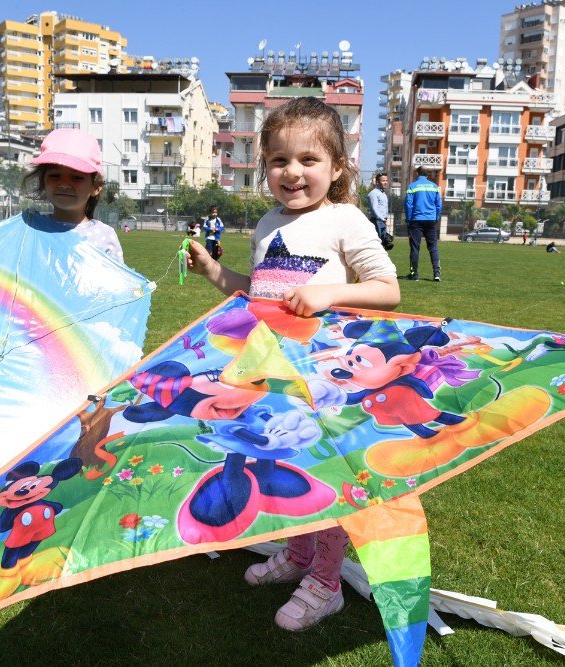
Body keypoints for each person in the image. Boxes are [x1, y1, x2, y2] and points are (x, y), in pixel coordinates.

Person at [184, 96, 399, 632]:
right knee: (284, 465)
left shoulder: (344, 219)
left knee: (324, 474)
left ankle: (326, 584)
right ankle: (300, 556)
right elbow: (254, 293)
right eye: (279, 161)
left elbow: (387, 288)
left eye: (308, 160)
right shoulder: (267, 224)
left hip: (324, 376)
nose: (293, 172)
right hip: (270, 372)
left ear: (337, 166)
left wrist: (328, 294)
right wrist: (214, 271)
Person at [22, 128, 123, 261]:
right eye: (55, 176)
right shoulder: (30, 226)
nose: (64, 184)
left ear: (96, 187)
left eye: (76, 177)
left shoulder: (104, 236)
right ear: (43, 182)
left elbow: (116, 280)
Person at [404, 166, 442, 281]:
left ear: (417, 174)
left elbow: (408, 205)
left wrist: (409, 218)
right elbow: (439, 205)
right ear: (427, 175)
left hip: (416, 220)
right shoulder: (435, 187)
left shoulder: (412, 186)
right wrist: (436, 217)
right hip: (431, 220)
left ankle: (414, 274)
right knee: (433, 248)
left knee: (415, 248)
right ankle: (436, 274)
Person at [367, 172, 391, 249]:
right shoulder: (373, 193)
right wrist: (382, 218)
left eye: (386, 180)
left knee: (383, 243)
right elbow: (374, 208)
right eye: (383, 181)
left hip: (382, 221)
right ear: (377, 182)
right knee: (377, 244)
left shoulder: (383, 193)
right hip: (377, 221)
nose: (385, 182)